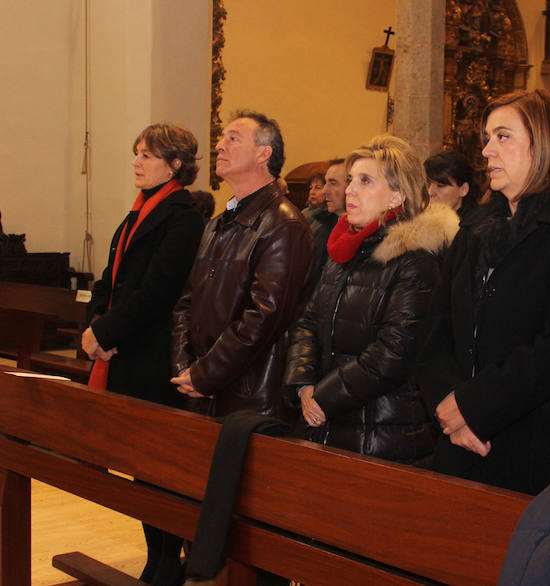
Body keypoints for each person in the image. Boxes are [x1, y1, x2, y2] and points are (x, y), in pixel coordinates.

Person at [416, 89, 550, 495]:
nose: (487, 150)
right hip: (459, 437)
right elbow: (436, 329)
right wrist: (447, 407)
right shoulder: (473, 228)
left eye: (502, 136)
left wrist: (472, 407)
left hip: (537, 443)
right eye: (487, 137)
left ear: (545, 145)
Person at [284, 135, 459, 463]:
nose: (350, 190)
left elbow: (394, 350)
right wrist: (303, 383)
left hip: (383, 433)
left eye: (365, 181)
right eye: (351, 180)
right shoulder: (345, 252)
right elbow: (308, 322)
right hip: (325, 421)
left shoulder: (416, 259)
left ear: (397, 195)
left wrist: (323, 397)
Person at [82, 122, 204, 586]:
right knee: (139, 467)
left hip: (154, 359)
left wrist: (107, 331)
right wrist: (95, 325)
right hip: (124, 350)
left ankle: (166, 560)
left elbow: (158, 290)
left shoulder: (182, 216)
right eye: (136, 152)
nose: (137, 161)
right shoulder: (137, 212)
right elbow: (110, 278)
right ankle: (157, 558)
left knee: (158, 469)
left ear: (175, 165)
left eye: (148, 155)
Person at [171, 110, 314, 423]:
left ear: (264, 154)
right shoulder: (217, 225)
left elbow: (263, 317)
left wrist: (205, 374)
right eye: (222, 138)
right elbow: (187, 301)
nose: (220, 146)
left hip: (250, 396)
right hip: (204, 386)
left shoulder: (283, 224)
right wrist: (185, 366)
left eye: (233, 139)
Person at [424, 150, 482, 218]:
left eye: (440, 186)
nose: (430, 192)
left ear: (463, 189)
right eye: (427, 185)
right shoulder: (420, 220)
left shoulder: (481, 225)